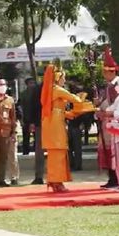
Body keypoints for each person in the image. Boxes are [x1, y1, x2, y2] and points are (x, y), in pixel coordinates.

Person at [41, 61, 83, 193]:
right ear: (58, 77)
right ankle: (56, 182)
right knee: (57, 153)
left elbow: (57, 109)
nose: (64, 80)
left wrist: (67, 114)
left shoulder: (51, 89)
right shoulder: (57, 89)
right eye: (63, 77)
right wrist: (83, 96)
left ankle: (55, 181)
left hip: (53, 121)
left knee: (55, 153)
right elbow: (76, 100)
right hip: (55, 124)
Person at [94, 47, 119, 188]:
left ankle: (116, 178)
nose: (104, 74)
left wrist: (104, 113)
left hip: (113, 123)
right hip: (106, 123)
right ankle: (112, 177)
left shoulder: (116, 86)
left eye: (106, 71)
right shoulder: (108, 86)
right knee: (107, 151)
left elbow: (116, 105)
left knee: (113, 151)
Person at [0, 93, 21, 186]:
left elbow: (16, 118)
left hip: (9, 133)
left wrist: (14, 133)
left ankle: (14, 177)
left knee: (12, 156)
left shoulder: (11, 101)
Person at [30, 81, 46, 185]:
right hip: (41, 123)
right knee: (40, 151)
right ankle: (39, 176)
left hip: (54, 123)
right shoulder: (38, 89)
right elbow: (33, 107)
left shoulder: (58, 88)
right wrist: (33, 123)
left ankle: (57, 176)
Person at [67, 78, 84, 171]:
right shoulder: (68, 95)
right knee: (71, 146)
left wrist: (83, 123)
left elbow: (83, 111)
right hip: (71, 123)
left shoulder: (79, 95)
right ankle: (73, 164)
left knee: (76, 146)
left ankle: (77, 164)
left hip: (76, 123)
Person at [18, 78, 36, 155]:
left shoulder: (38, 93)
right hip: (26, 118)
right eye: (30, 83)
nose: (32, 85)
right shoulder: (23, 94)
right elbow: (20, 107)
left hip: (36, 119)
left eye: (33, 83)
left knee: (37, 137)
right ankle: (26, 152)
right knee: (26, 136)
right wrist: (21, 119)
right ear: (27, 84)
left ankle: (37, 151)